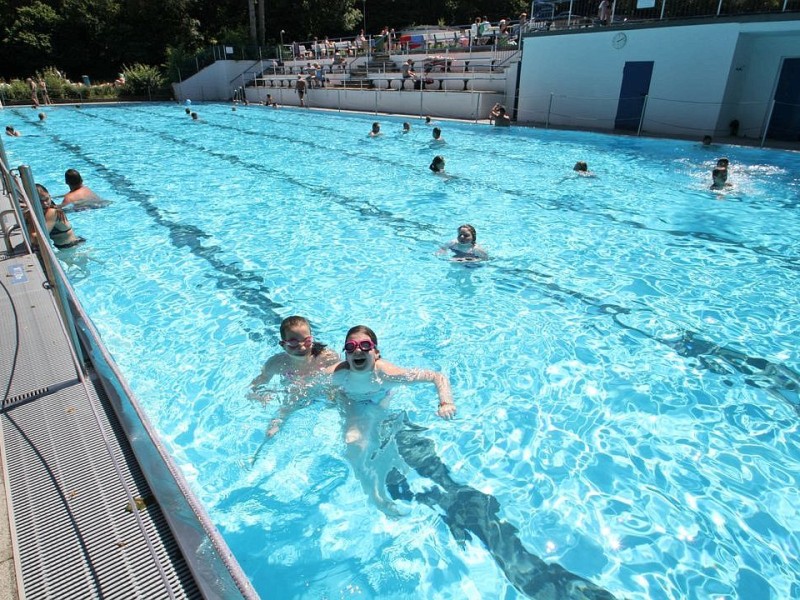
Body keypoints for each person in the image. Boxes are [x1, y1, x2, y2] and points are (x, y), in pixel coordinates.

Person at [328, 325, 456, 514]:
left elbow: (437, 377)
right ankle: (375, 496)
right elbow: (304, 386)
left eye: (365, 345)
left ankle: (393, 470)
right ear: (346, 355)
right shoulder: (338, 374)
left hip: (380, 400)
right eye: (350, 347)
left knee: (380, 436)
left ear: (376, 352)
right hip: (351, 403)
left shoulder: (386, 373)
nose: (357, 350)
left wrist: (445, 403)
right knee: (353, 444)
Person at [250, 315, 339, 437]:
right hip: (295, 394)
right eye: (293, 343)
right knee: (279, 417)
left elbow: (340, 376)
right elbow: (254, 386)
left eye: (307, 341)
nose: (301, 347)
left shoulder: (327, 357)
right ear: (283, 344)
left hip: (322, 391)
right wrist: (260, 396)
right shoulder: (276, 363)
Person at [31, 184, 86, 249]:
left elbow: (38, 238)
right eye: (40, 201)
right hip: (67, 247)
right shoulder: (41, 212)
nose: (45, 203)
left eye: (46, 199)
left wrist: (30, 219)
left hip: (73, 248)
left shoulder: (52, 212)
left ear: (50, 196)